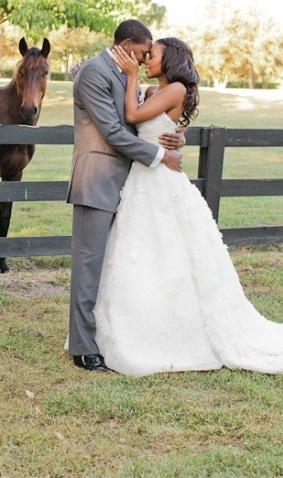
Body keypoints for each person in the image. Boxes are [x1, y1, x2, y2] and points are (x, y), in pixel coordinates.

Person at [94, 37, 283, 376]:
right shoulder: (155, 92)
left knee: (168, 247)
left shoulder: (176, 88)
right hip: (144, 174)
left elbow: (133, 115)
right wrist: (175, 133)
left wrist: (131, 75)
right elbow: (147, 123)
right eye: (145, 56)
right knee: (142, 249)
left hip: (160, 178)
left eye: (153, 56)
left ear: (170, 62)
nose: (147, 60)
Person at [66, 20, 186, 372]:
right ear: (127, 44)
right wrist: (162, 155)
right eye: (143, 51)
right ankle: (83, 348)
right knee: (88, 266)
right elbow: (114, 131)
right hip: (98, 179)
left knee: (116, 266)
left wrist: (175, 137)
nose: (145, 59)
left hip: (131, 183)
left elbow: (144, 122)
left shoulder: (124, 73)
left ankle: (108, 336)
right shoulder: (93, 73)